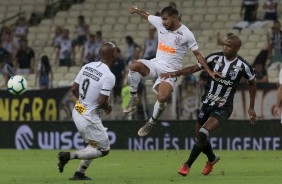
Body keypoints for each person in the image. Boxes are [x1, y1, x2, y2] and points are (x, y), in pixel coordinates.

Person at [160, 33, 257, 176]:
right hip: (207, 104)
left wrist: (251, 107)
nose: (225, 47)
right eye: (224, 44)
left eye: (229, 46)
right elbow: (194, 68)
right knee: (199, 138)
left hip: (224, 107)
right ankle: (212, 159)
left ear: (236, 48)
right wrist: (175, 73)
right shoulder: (214, 58)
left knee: (203, 133)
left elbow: (252, 83)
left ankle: (187, 165)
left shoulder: (243, 66)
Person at [123, 5, 220, 137]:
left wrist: (209, 71)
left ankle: (151, 122)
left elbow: (197, 54)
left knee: (162, 97)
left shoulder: (186, 34)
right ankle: (134, 98)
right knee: (134, 66)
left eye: (165, 19)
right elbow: (147, 15)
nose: (162, 22)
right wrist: (136, 11)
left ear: (174, 18)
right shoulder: (160, 23)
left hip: (171, 71)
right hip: (156, 64)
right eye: (162, 19)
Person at [57, 42, 117, 180]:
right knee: (104, 149)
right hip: (88, 116)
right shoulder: (109, 76)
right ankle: (68, 156)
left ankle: (79, 173)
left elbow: (73, 89)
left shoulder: (87, 66)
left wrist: (82, 102)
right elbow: (102, 102)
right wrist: (108, 108)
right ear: (113, 55)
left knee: (93, 145)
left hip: (78, 109)